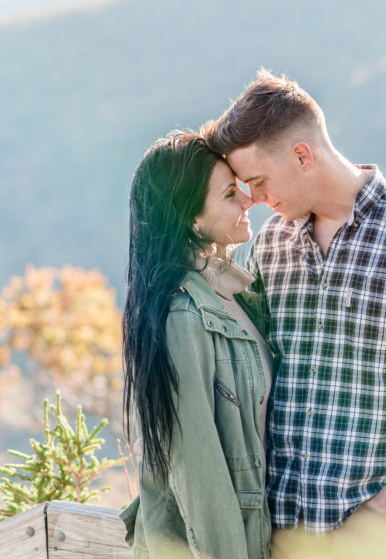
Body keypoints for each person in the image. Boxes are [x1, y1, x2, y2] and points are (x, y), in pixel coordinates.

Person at [203, 69, 386, 559]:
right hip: (276, 536)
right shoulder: (272, 244)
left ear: (302, 155)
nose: (254, 198)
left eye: (257, 181)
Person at [119, 131, 273, 559]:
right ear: (192, 220)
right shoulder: (182, 317)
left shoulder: (231, 295)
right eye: (229, 194)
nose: (248, 200)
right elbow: (200, 475)